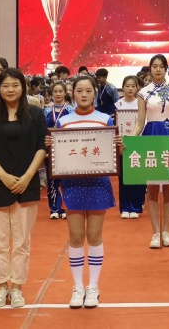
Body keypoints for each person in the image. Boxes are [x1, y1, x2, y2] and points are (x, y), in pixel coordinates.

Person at [47, 74, 119, 309]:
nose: (84, 95)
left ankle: (93, 286)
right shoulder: (63, 122)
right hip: (73, 183)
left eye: (88, 91)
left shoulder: (105, 120)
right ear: (73, 93)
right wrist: (51, 146)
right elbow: (58, 155)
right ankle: (78, 287)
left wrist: (118, 147)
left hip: (98, 182)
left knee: (95, 236)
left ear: (94, 93)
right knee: (76, 237)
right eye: (80, 91)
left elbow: (113, 155)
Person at [0, 68, 48, 310]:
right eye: (5, 85)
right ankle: (1, 287)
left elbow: (41, 148)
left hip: (26, 185)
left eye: (15, 85)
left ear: (23, 87)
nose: (10, 89)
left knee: (21, 242)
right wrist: (4, 177)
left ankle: (17, 288)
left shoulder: (36, 115)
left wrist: (27, 177)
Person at [135, 54, 169, 249]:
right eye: (154, 66)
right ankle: (155, 233)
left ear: (166, 68)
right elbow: (140, 122)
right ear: (150, 69)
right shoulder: (143, 93)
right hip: (151, 138)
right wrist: (130, 140)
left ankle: (166, 231)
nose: (157, 69)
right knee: (153, 188)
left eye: (161, 66)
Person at [115, 75, 146, 219]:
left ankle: (136, 206)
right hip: (123, 145)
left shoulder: (141, 104)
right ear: (123, 87)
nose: (130, 88)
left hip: (139, 143)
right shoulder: (118, 105)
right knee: (124, 177)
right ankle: (125, 207)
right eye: (127, 86)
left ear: (137, 87)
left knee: (138, 176)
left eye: (133, 86)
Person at [43, 81, 72, 219]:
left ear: (65, 93)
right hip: (51, 150)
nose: (58, 94)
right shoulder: (46, 111)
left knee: (66, 180)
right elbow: (42, 131)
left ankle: (66, 207)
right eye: (55, 91)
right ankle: (54, 208)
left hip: (68, 150)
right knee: (52, 180)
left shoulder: (71, 110)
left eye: (60, 91)